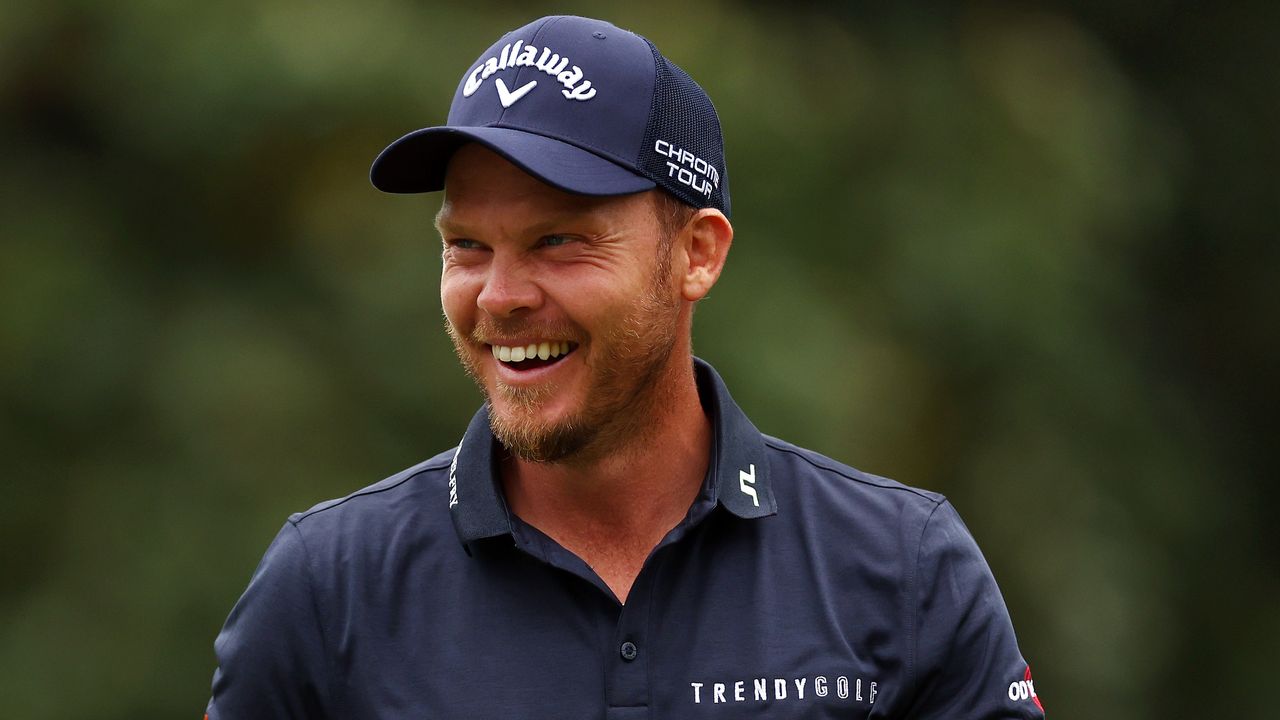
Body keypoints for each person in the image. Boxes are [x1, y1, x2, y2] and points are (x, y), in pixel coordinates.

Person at [206, 15, 1044, 719]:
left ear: (697, 255)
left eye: (558, 241)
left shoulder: (903, 569)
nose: (498, 298)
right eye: (466, 246)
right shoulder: (326, 587)